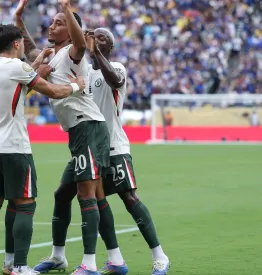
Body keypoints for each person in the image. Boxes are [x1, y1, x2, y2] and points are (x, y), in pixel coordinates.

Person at [0, 24, 86, 275]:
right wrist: (78, 85)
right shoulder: (18, 67)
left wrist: (36, 65)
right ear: (16, 43)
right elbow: (55, 91)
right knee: (25, 204)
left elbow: (16, 87)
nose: (25, 45)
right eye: (22, 42)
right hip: (13, 146)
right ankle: (20, 266)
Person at [15, 1, 111, 274]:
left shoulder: (73, 53)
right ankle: (59, 256)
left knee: (87, 195)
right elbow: (28, 48)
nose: (52, 25)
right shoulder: (50, 55)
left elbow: (81, 43)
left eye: (59, 23)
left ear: (70, 30)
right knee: (62, 194)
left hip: (88, 128)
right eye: (53, 21)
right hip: (77, 132)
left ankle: (90, 264)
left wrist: (66, 8)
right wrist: (19, 19)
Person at [87, 28, 170, 275]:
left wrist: (95, 52)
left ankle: (160, 256)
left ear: (110, 48)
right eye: (94, 36)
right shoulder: (83, 73)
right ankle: (115, 259)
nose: (96, 39)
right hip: (92, 149)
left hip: (114, 146)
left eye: (103, 38)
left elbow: (115, 81)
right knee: (96, 201)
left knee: (129, 197)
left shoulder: (117, 68)